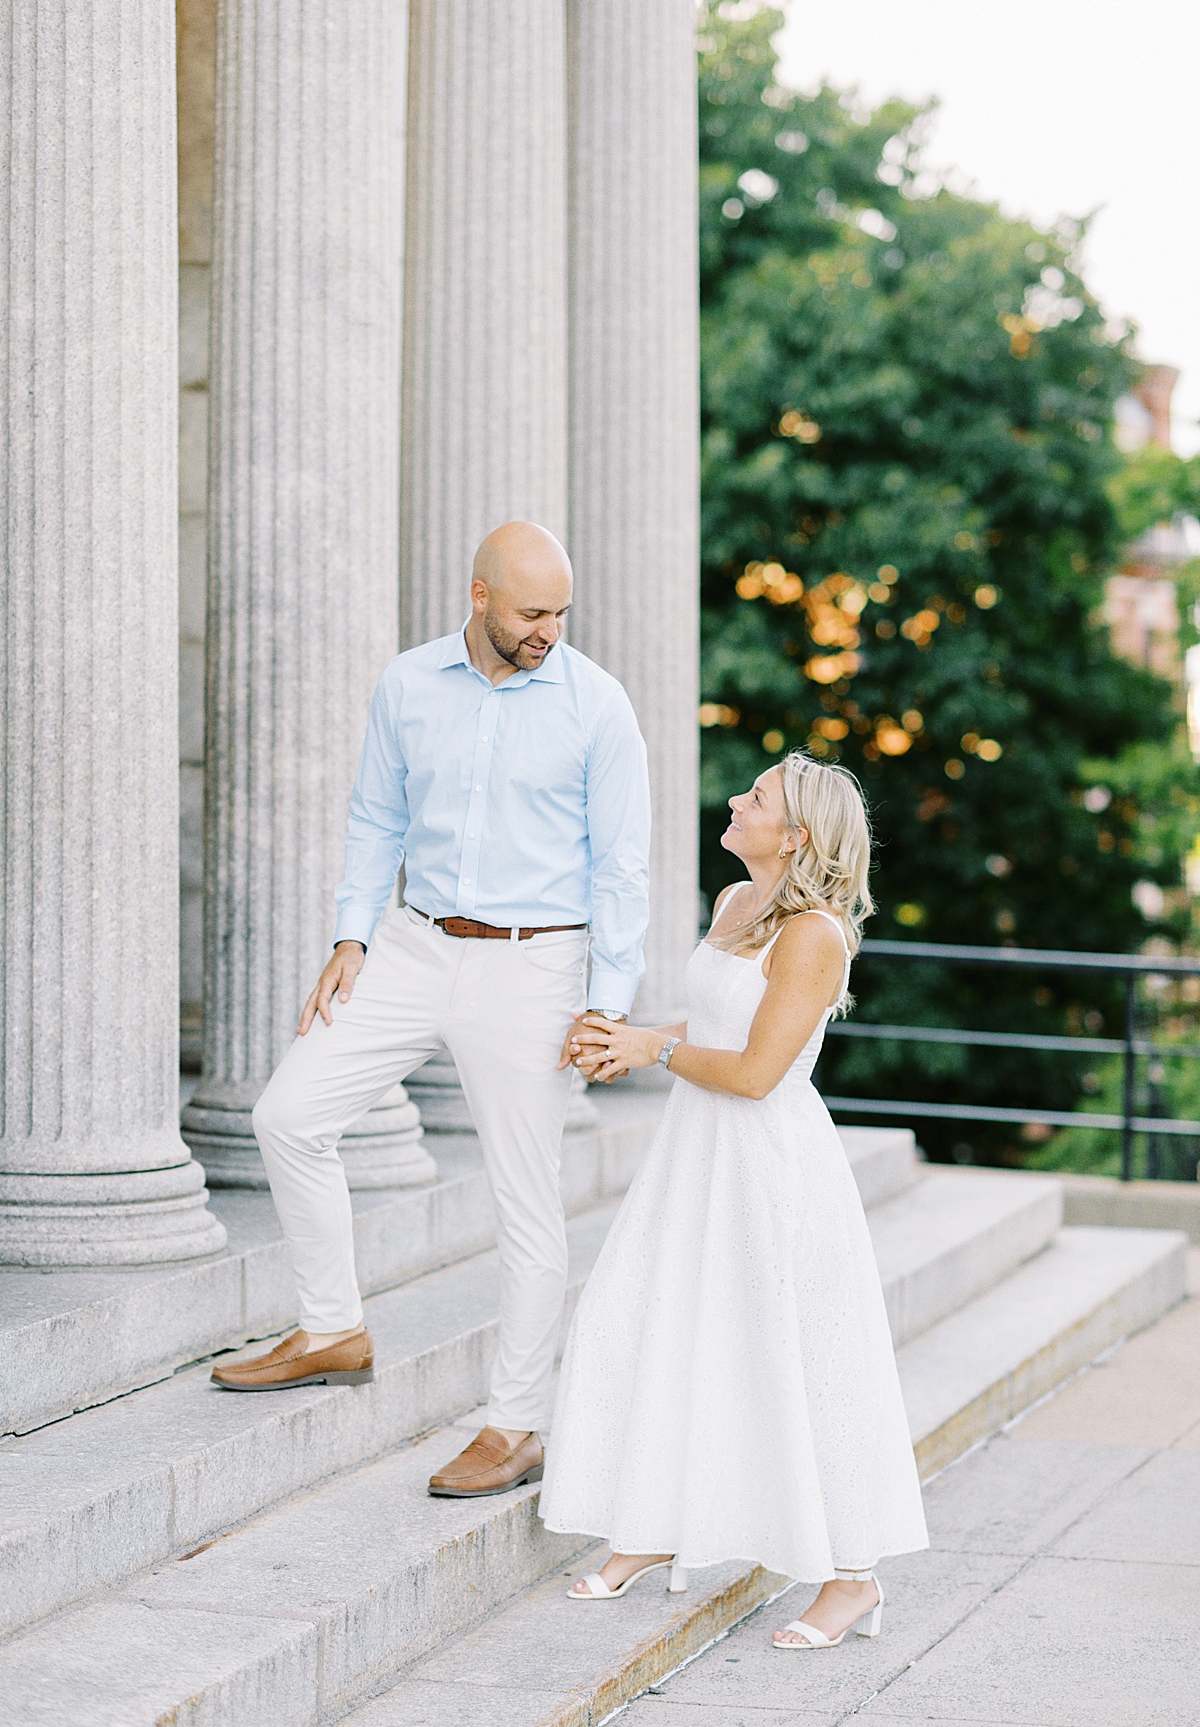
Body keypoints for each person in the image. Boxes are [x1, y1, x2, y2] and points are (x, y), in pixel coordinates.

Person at [211, 522, 651, 1504]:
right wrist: (350, 935)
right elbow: (375, 816)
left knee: (525, 1205)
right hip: (412, 943)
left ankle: (517, 1424)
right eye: (533, 612)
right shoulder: (407, 684)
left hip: (537, 963)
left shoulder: (598, 706)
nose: (550, 630)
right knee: (288, 1116)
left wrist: (607, 1004)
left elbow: (624, 867)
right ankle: (333, 1329)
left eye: (561, 613)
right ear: (480, 595)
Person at [539, 751, 928, 1647]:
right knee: (650, 1319)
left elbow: (756, 1072)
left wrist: (651, 1053)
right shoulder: (734, 904)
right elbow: (715, 1027)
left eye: (754, 799)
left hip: (768, 1165)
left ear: (793, 837)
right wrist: (628, 1038)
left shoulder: (814, 936)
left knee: (794, 1354)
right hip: (696, 1152)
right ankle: (650, 1523)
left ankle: (851, 1578)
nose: (734, 799)